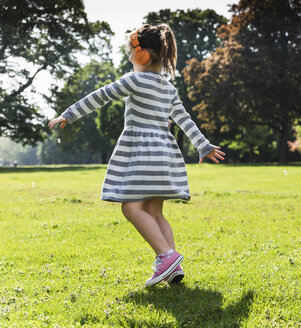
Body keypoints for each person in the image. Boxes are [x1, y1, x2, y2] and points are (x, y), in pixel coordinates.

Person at [48, 24, 225, 286]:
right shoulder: (168, 88)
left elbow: (101, 96)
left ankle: (166, 256)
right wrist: (203, 145)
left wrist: (69, 114)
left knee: (130, 207)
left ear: (142, 56)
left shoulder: (134, 80)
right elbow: (184, 120)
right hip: (164, 154)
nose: (129, 57)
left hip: (142, 153)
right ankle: (173, 267)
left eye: (131, 52)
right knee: (155, 212)